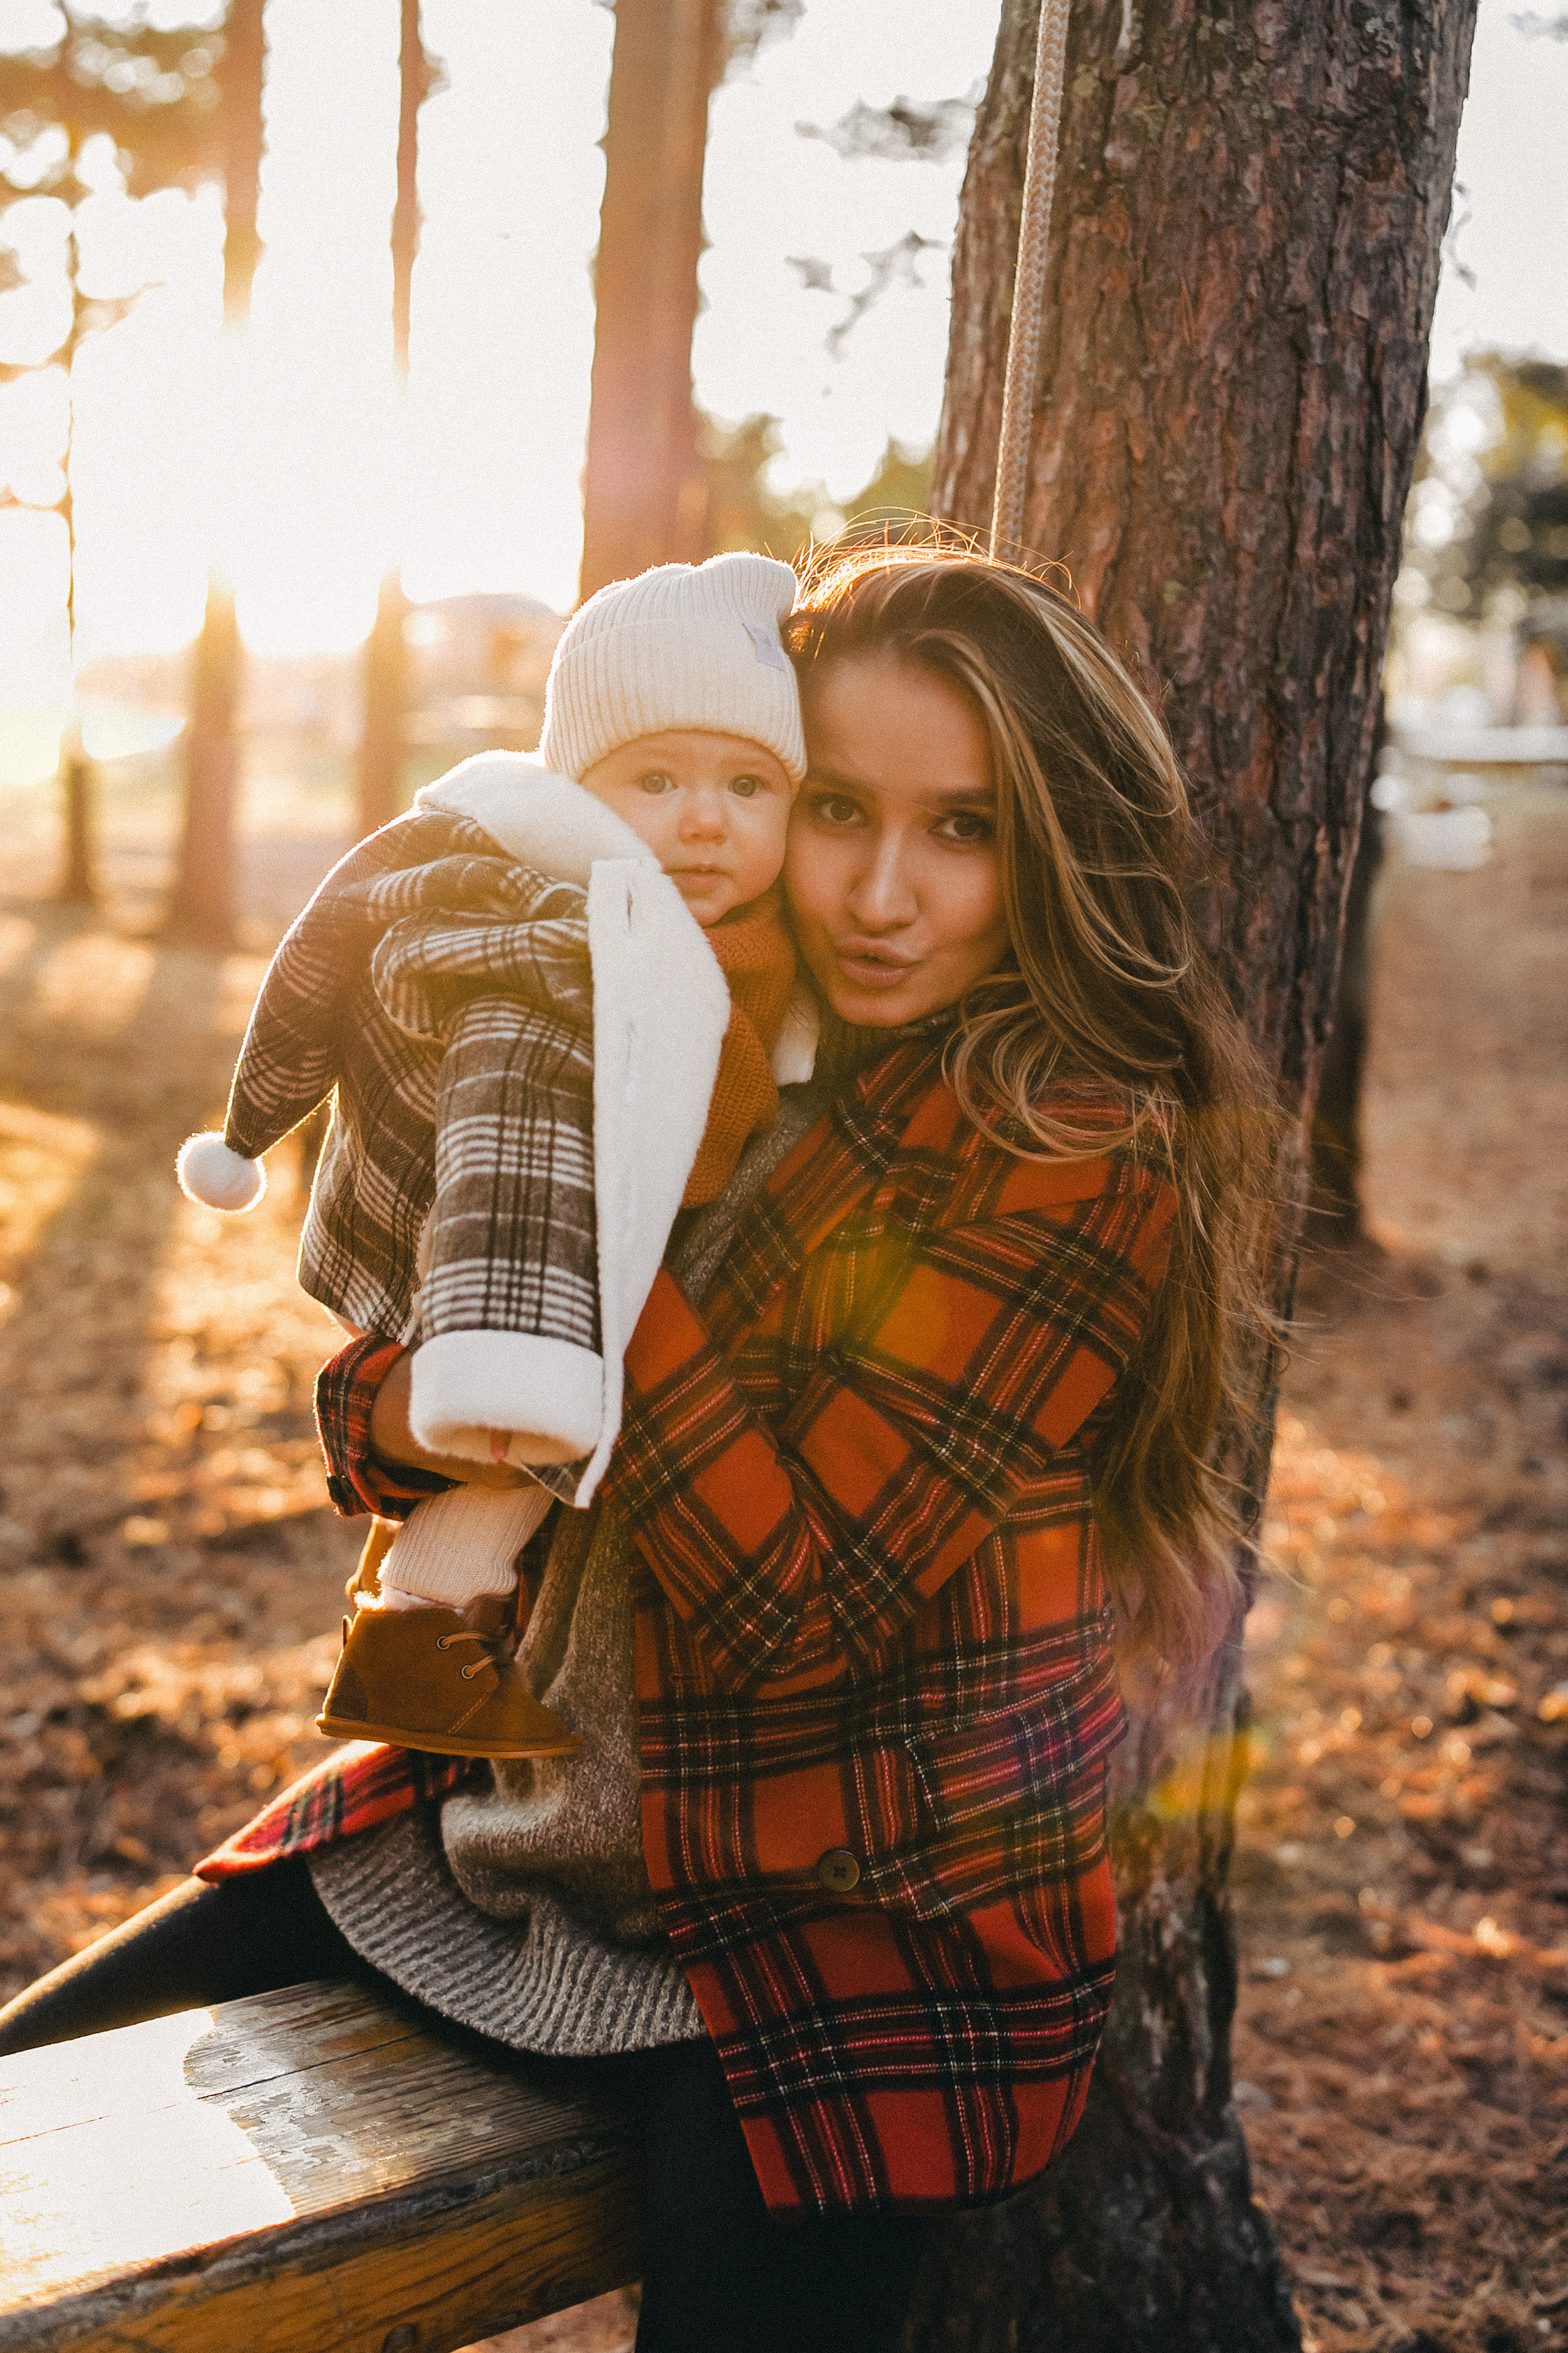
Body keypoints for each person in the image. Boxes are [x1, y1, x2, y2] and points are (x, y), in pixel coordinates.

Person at [0, 548, 1277, 2353]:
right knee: (33, 2123)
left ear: (1054, 848)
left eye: (963, 830)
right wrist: (449, 1378)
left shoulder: (1066, 1149)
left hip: (838, 1919)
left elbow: (791, 1609)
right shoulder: (672, 993)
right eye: (834, 809)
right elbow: (388, 1407)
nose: (883, 896)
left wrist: (608, 1199)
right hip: (513, 1830)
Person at [175, 551, 811, 1762]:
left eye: (747, 783)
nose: (704, 818)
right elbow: (506, 1127)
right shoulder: (553, 943)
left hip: (609, 1262)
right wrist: (510, 1349)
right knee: (517, 1442)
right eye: (655, 778)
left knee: (521, 1450)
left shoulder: (757, 939)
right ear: (580, 789)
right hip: (504, 1259)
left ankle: (416, 1632)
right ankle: (416, 1631)